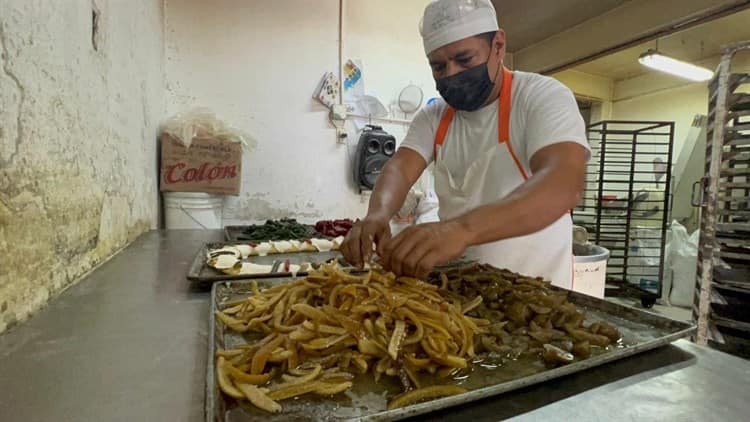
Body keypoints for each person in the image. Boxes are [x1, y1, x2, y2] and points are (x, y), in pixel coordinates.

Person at [341, 0, 589, 289]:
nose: (452, 74)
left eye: (464, 59)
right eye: (438, 66)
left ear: (498, 45)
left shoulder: (540, 97)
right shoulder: (434, 116)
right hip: (462, 290)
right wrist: (377, 215)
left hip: (538, 295)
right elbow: (400, 168)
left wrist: (460, 230)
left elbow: (562, 185)